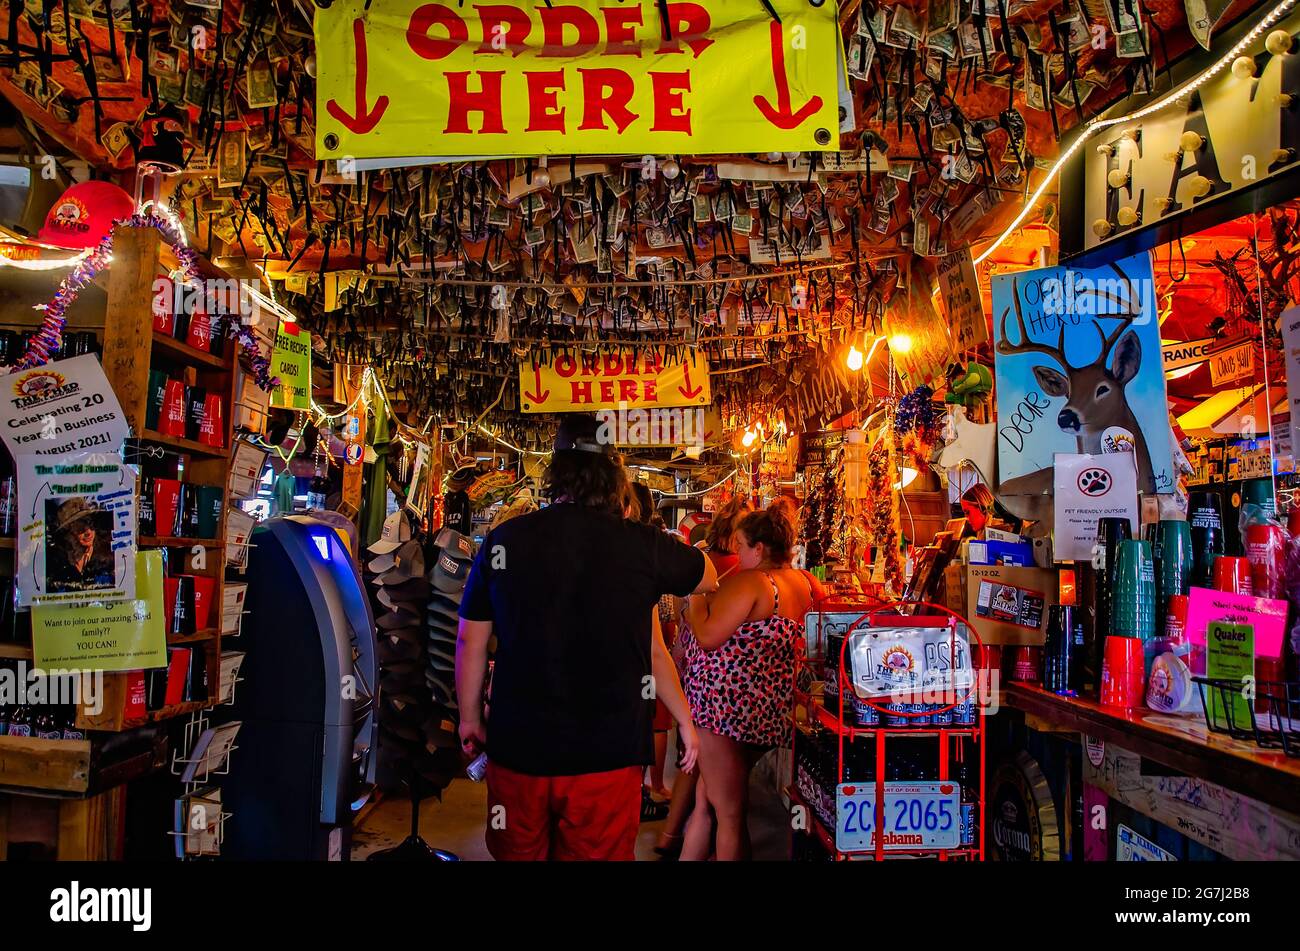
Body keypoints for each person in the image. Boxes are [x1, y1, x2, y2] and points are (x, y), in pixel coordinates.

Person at [456, 414, 717, 861]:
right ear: (616, 478)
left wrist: (469, 718)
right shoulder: (643, 544)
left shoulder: (505, 541)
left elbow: (470, 641)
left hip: (520, 747)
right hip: (607, 755)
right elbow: (707, 577)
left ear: (556, 470)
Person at [679, 499, 824, 861]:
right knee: (719, 803)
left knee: (728, 812)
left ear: (758, 550)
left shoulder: (753, 583)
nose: (737, 554)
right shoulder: (807, 583)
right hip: (770, 709)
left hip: (724, 710)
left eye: (741, 547)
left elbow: (708, 636)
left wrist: (696, 600)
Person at [655, 494, 752, 857]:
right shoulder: (743, 572)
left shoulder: (701, 559)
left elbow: (681, 609)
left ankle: (672, 835)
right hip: (719, 675)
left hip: (690, 663)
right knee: (713, 777)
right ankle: (708, 838)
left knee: (693, 763)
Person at [628, 481, 673, 815]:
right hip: (653, 650)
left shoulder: (619, 547)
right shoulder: (658, 550)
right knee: (657, 722)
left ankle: (637, 789)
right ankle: (651, 786)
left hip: (625, 654)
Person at [45, 498, 113, 593]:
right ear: (67, 532)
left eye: (90, 524)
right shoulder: (54, 562)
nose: (88, 532)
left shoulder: (108, 556)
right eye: (79, 527)